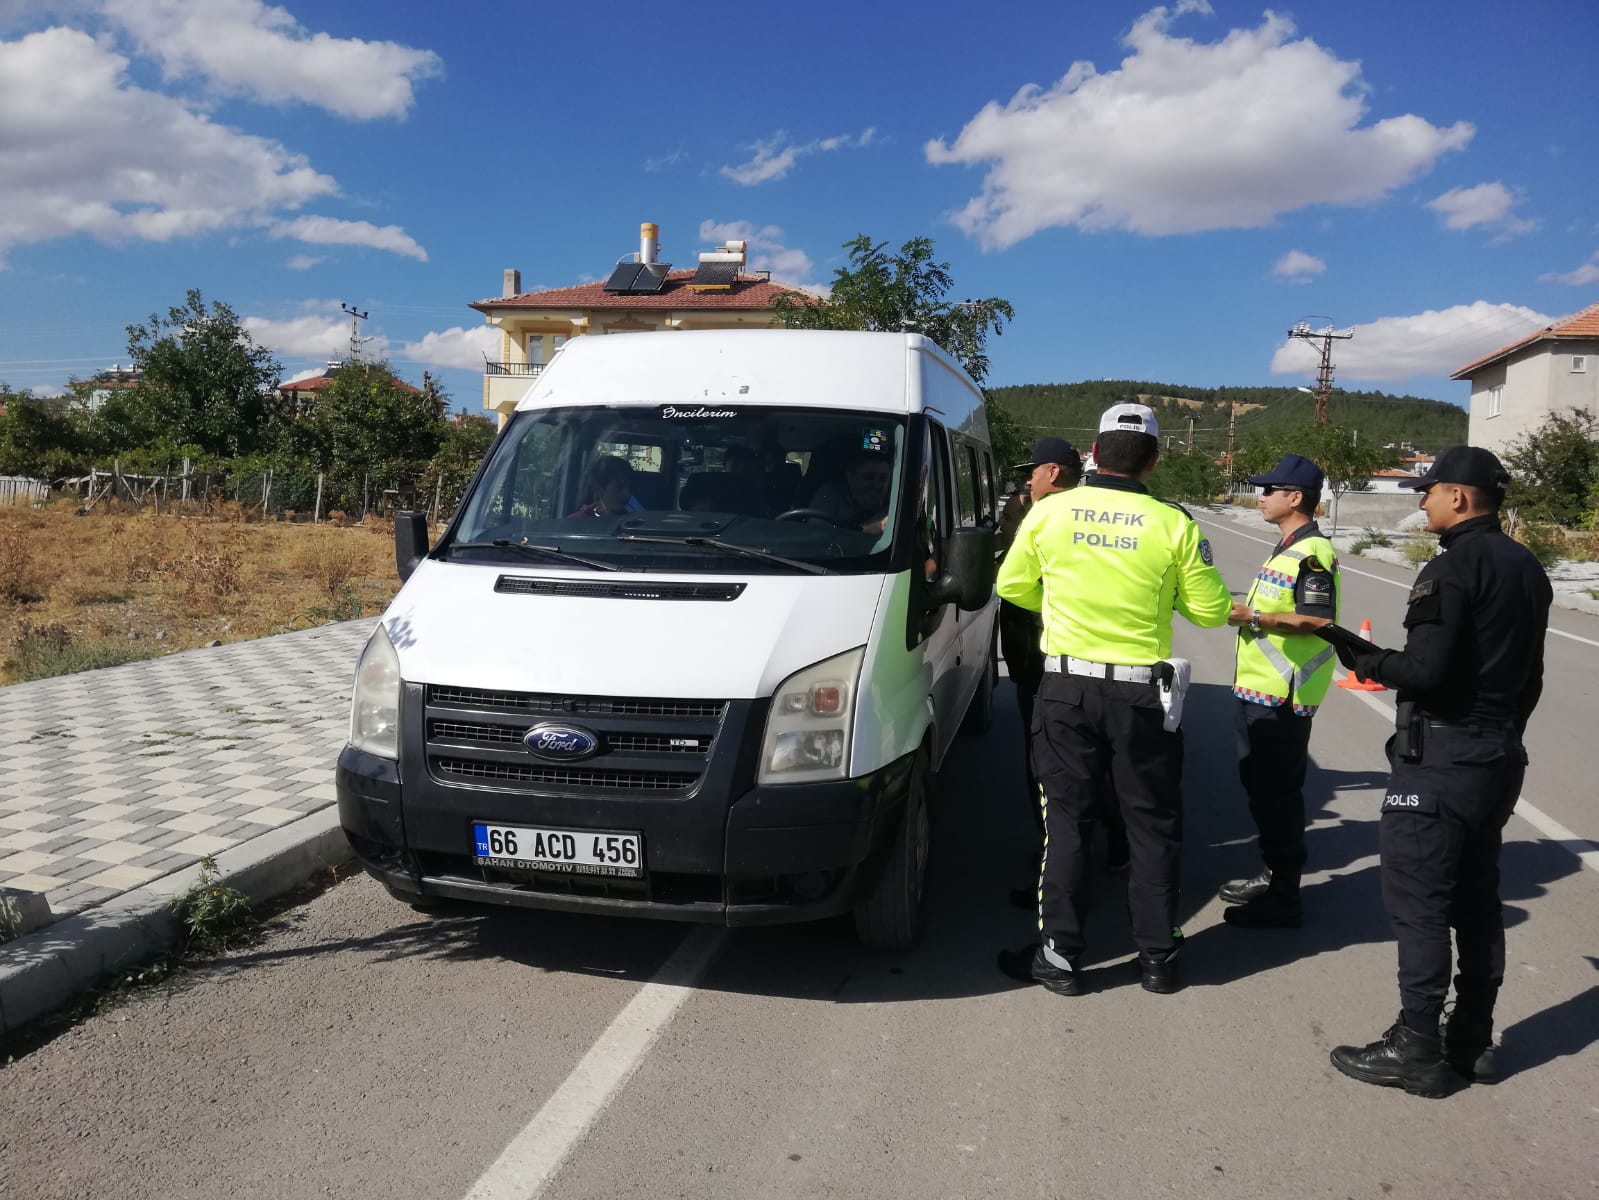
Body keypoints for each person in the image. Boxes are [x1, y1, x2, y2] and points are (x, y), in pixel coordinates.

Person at [1326, 446, 1551, 1097]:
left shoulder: (1450, 568)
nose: (1419, 500)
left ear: (1458, 496)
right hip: (1497, 755)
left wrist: (1363, 658)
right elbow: (1529, 678)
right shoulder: (1526, 567)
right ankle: (1471, 1041)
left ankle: (1417, 1048)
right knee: (1477, 903)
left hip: (1441, 761)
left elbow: (1423, 671)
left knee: (1419, 906)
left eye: (1427, 491)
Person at [995, 403, 1232, 996]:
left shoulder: (1050, 513)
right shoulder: (1173, 523)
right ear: (1154, 459)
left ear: (1093, 454)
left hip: (1066, 688)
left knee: (1067, 822)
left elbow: (1011, 586)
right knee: (1150, 824)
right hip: (1140, 695)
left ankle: (1061, 958)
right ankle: (1157, 959)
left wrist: (1068, 599)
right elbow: (1208, 610)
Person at [997, 438, 1129, 893]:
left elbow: (1016, 577)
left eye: (1031, 472)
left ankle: (1066, 863)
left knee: (1051, 768)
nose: (1026, 480)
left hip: (1050, 659)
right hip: (1053, 658)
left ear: (1052, 473)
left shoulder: (1053, 516)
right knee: (1079, 764)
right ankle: (1103, 844)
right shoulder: (1058, 511)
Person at [1218, 453, 1341, 929]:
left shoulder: (1312, 553)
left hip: (1283, 696)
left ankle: (1285, 896)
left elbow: (1317, 619)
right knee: (1261, 789)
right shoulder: (1287, 547)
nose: (1261, 498)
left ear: (1295, 498)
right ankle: (1272, 874)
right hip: (1261, 692)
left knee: (1277, 795)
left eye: (1269, 491)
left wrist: (1255, 617)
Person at [810, 447, 892, 531]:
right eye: (869, 477)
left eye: (883, 478)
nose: (877, 485)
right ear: (850, 477)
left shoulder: (896, 501)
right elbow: (817, 535)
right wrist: (873, 527)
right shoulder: (829, 494)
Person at [568, 455, 634, 518]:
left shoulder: (634, 524)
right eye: (619, 487)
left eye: (630, 487)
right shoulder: (575, 523)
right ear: (599, 489)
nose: (627, 494)